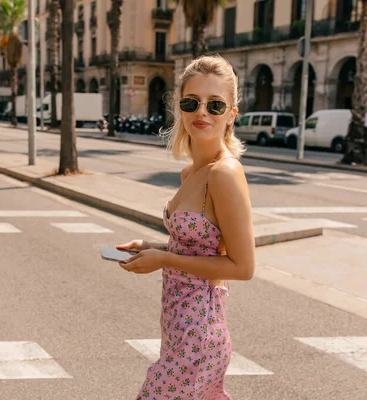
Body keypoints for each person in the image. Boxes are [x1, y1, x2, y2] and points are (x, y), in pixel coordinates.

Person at [117, 55, 256, 400]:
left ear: (231, 115)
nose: (202, 113)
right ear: (180, 108)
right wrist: (152, 247)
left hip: (199, 335)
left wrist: (164, 261)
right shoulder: (191, 173)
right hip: (178, 327)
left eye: (215, 104)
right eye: (191, 102)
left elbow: (242, 267)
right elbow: (196, 248)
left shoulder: (224, 174)